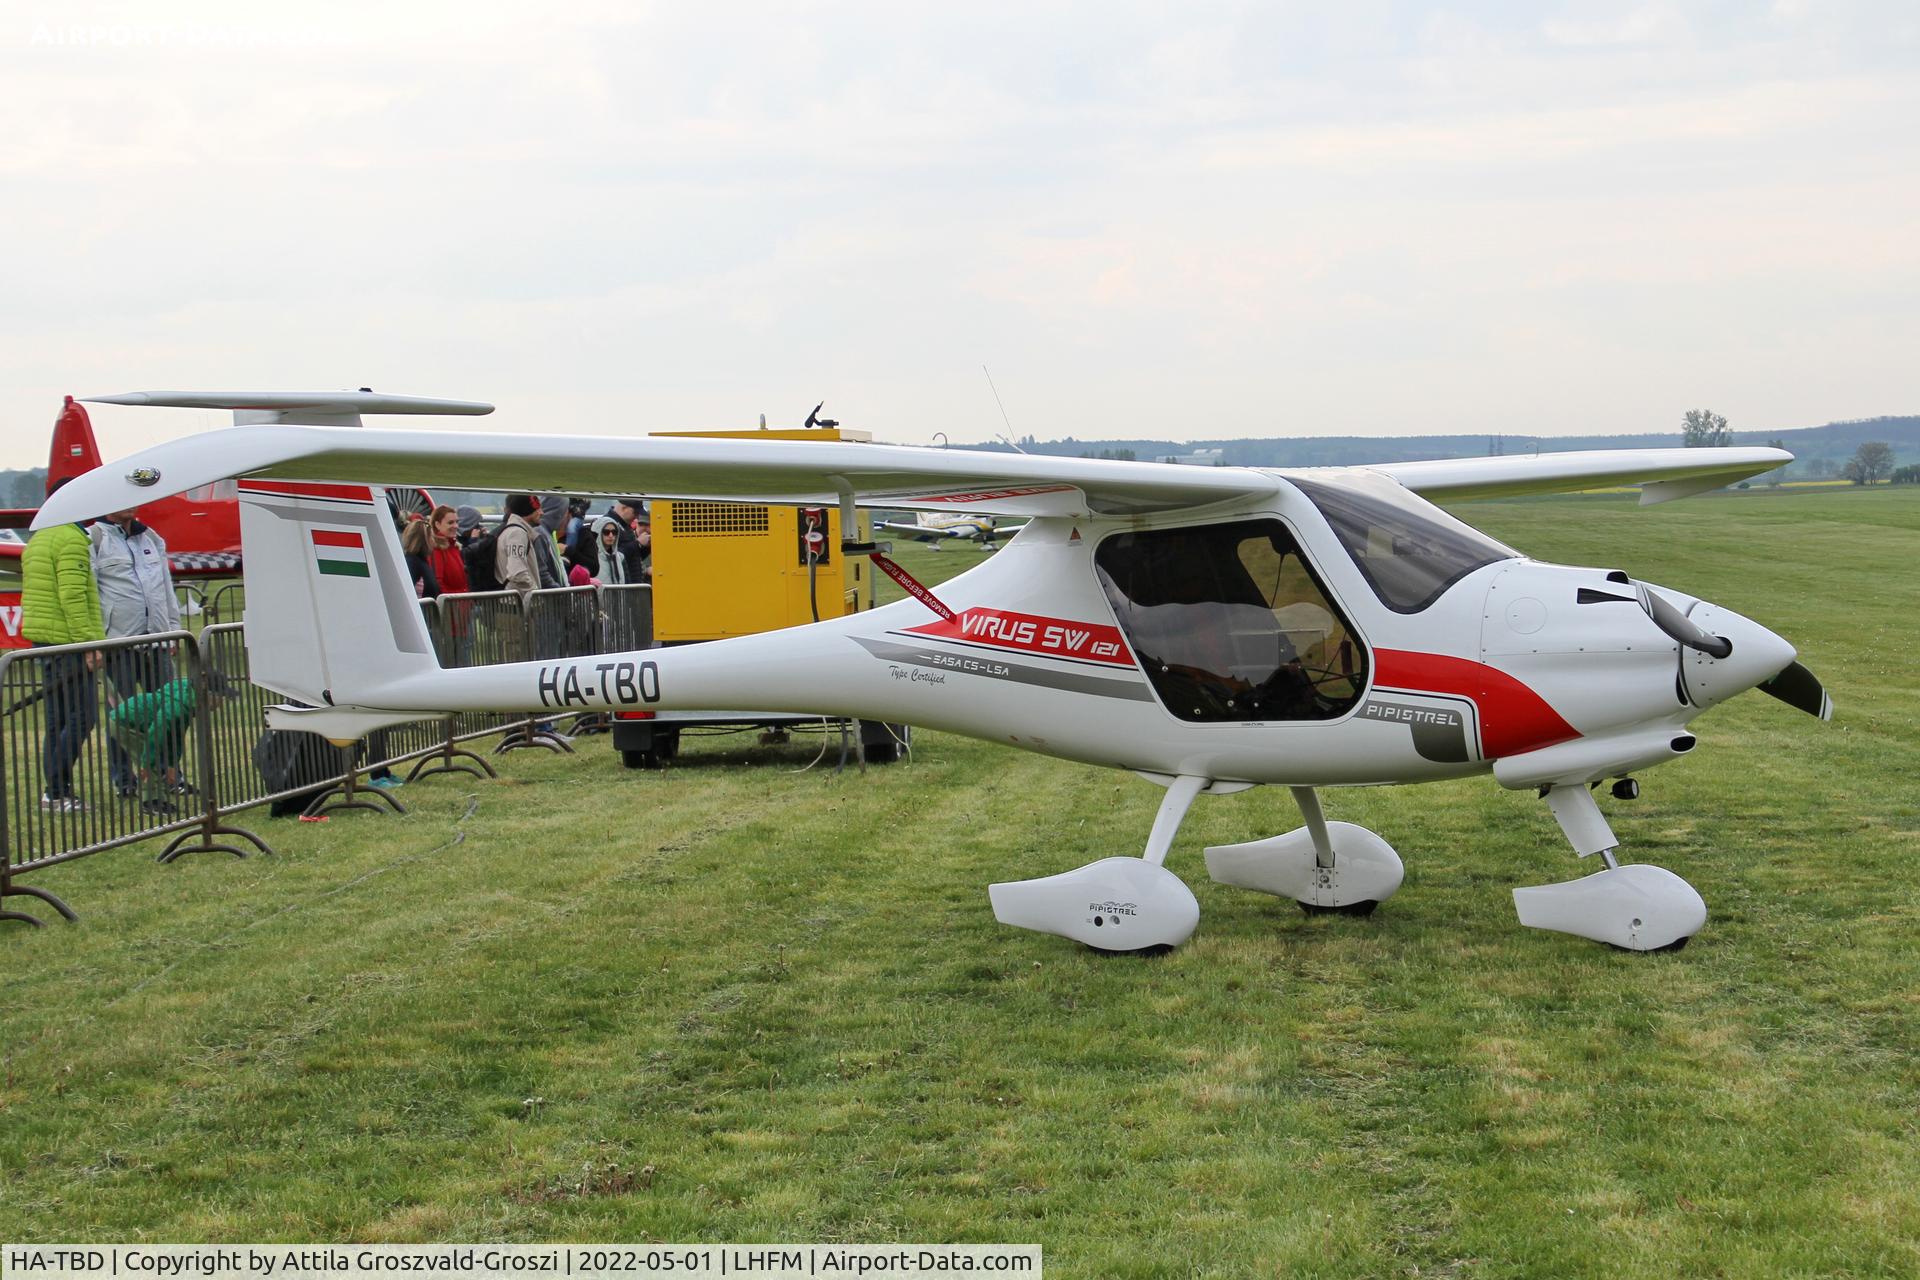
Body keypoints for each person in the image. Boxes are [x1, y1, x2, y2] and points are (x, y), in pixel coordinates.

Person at [20, 480, 106, 811]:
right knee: (83, 717)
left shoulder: (40, 537)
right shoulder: (71, 539)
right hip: (67, 642)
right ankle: (56, 789)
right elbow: (72, 596)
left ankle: (54, 791)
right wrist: (89, 644)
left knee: (58, 721)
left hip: (45, 639)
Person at [91, 506, 183, 798]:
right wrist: (96, 642)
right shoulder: (93, 538)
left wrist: (173, 629)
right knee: (122, 715)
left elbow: (165, 587)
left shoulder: (151, 538)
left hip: (156, 639)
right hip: (118, 643)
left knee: (170, 712)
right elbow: (91, 592)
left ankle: (171, 776)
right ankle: (125, 780)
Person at [106, 670, 229, 816]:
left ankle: (157, 797)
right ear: (208, 695)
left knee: (156, 759)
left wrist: (172, 764)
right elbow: (156, 732)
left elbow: (176, 736)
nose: (221, 703)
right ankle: (150, 802)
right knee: (152, 759)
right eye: (220, 698)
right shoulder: (180, 706)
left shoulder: (189, 697)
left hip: (137, 721)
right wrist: (146, 763)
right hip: (125, 723)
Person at [494, 494, 541, 601]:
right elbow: (517, 573)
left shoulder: (514, 531)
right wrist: (535, 593)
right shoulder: (517, 533)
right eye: (538, 509)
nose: (541, 513)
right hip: (515, 606)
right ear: (527, 511)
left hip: (514, 604)